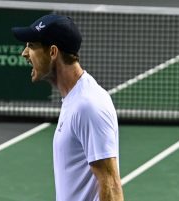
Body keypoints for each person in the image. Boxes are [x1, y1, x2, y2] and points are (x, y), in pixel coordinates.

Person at [12, 14, 124, 201]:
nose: (24, 54)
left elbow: (110, 184)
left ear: (53, 52)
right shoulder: (74, 100)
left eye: (31, 46)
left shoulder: (88, 105)